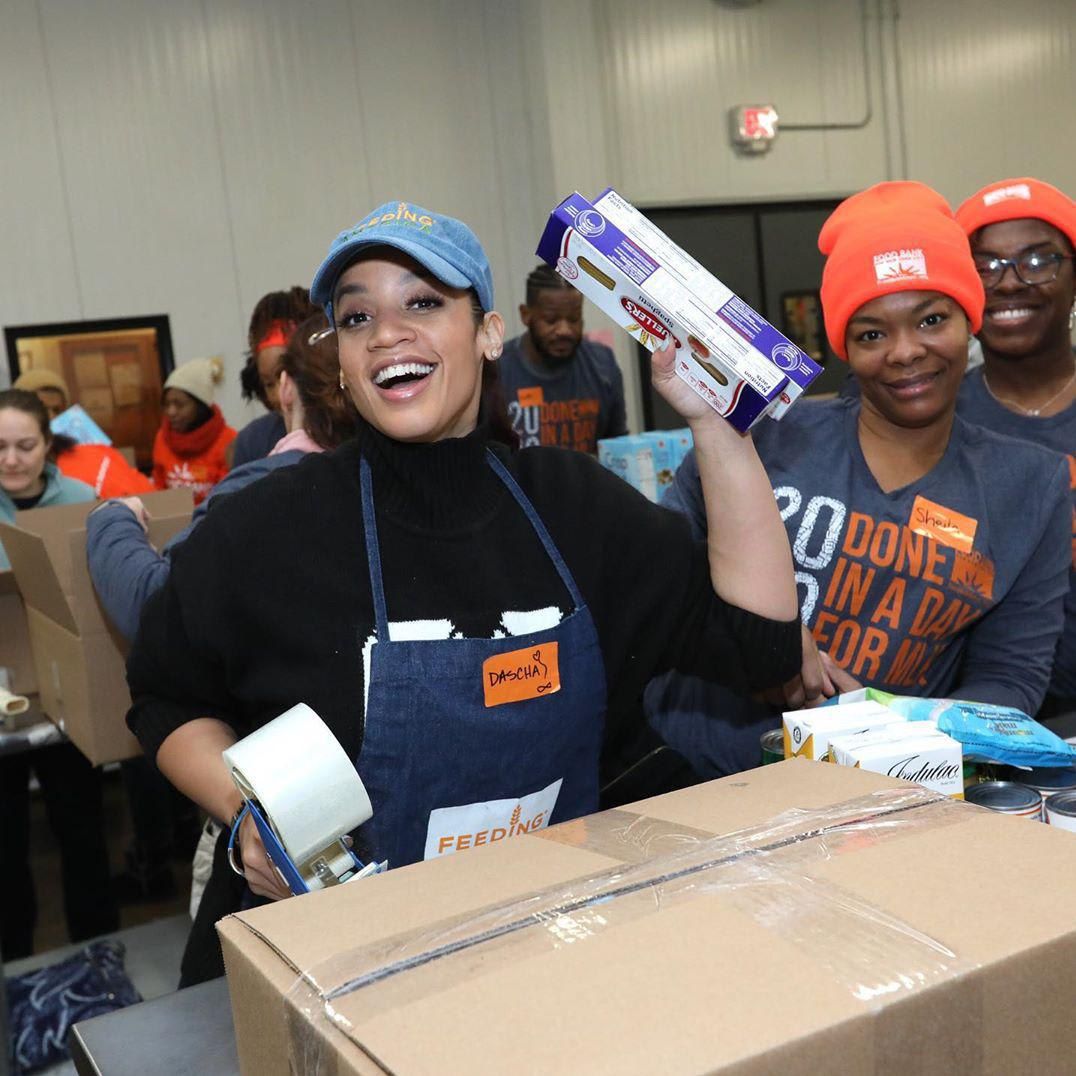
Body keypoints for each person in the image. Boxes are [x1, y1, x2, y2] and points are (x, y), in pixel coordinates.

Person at [124, 199, 801, 985]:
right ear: (342, 360)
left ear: (487, 334)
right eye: (355, 317)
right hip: (324, 970)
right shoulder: (263, 533)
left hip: (542, 953)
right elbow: (163, 695)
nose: (386, 333)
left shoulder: (578, 510)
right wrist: (247, 816)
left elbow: (761, 644)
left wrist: (716, 425)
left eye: (423, 302)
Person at [647, 182, 1072, 778]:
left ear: (969, 321)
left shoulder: (1030, 484)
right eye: (872, 333)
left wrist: (896, 729)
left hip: (889, 794)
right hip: (698, 772)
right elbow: (658, 581)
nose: (905, 352)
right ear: (843, 343)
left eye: (931, 319)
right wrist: (762, 645)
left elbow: (1011, 674)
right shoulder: (763, 437)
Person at [87, 313, 357, 642]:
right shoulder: (405, 483)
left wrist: (111, 521)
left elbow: (156, 607)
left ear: (285, 387)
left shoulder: (257, 491)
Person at [0, 389, 119, 956]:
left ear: (48, 445)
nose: (11, 459)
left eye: (25, 445)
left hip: (68, 698)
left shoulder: (79, 500)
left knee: (82, 835)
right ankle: (15, 968)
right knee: (5, 851)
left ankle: (98, 958)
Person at [954, 177, 1076, 722]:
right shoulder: (927, 416)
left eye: (1038, 260)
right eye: (985, 266)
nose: (1008, 283)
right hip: (977, 710)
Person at [497, 264, 628, 453]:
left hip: (589, 481)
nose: (564, 330)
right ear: (526, 315)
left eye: (574, 319)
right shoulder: (498, 370)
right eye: (551, 320)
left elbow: (617, 449)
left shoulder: (603, 365)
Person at [13, 369, 154, 498]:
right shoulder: (11, 464)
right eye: (42, 408)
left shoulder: (94, 452)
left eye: (57, 410)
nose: (51, 417)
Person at [231, 287, 319, 467]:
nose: (281, 394)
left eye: (289, 376)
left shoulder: (351, 431)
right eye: (269, 383)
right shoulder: (253, 443)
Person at [152, 356, 236, 504]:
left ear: (200, 407)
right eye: (167, 404)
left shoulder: (229, 441)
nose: (171, 412)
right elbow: (159, 489)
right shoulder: (162, 438)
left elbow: (232, 494)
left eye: (179, 404)